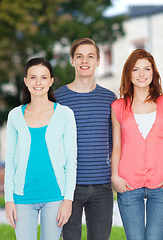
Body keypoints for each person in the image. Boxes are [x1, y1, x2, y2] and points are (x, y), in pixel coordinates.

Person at [4, 58, 77, 240]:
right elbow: (10, 161)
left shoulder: (65, 114)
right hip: (22, 197)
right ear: (26, 81)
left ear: (51, 81)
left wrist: (68, 200)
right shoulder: (14, 116)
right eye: (33, 77)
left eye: (43, 77)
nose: (38, 82)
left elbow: (71, 160)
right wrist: (8, 199)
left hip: (55, 196)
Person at [111, 49, 163, 240]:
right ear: (128, 74)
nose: (141, 74)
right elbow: (117, 146)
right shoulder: (118, 106)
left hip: (161, 182)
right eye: (136, 70)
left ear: (153, 72)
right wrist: (115, 176)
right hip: (128, 183)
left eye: (146, 69)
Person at [54, 38, 116, 240]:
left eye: (90, 56)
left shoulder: (109, 99)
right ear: (72, 60)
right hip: (68, 188)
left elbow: (114, 143)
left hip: (102, 186)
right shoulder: (57, 99)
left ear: (98, 61)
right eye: (79, 56)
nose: (84, 61)